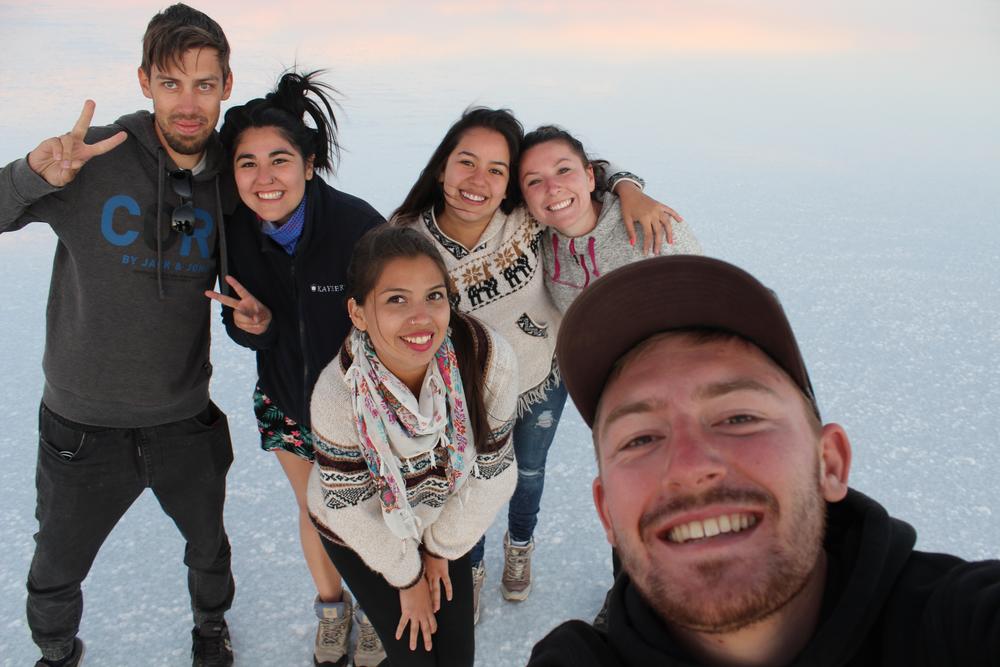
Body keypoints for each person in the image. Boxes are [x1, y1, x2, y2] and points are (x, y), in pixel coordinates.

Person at [528, 255, 1000, 666]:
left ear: (829, 463)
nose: (690, 466)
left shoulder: (958, 624)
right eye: (641, 438)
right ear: (607, 511)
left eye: (738, 417)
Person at [0, 5, 239, 666]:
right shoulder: (93, 157)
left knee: (209, 546)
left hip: (183, 417)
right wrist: (32, 174)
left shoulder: (232, 176)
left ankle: (210, 626)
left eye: (204, 83)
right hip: (81, 426)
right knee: (55, 565)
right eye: (171, 82)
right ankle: (55, 651)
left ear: (226, 84)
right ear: (144, 81)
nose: (188, 103)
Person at [391, 107, 681, 616]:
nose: (478, 181)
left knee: (528, 472)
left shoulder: (524, 215)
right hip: (467, 393)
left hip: (542, 375)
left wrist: (630, 188)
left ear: (509, 187)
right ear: (441, 168)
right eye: (465, 163)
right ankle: (472, 565)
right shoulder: (409, 239)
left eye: (497, 170)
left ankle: (519, 546)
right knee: (471, 481)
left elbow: (585, 171)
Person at [205, 70, 385, 667]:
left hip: (362, 406)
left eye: (279, 160)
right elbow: (239, 318)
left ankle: (378, 617)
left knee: (368, 515)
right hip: (286, 398)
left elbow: (404, 309)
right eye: (247, 163)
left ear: (309, 165)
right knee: (318, 510)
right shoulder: (233, 234)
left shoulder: (357, 225)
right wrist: (252, 326)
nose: (264, 178)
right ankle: (333, 612)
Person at [306, 225, 519, 666]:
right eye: (396, 299)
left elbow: (495, 474)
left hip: (442, 515)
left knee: (456, 654)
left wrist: (440, 550)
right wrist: (407, 579)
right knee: (414, 654)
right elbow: (350, 507)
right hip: (363, 529)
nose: (421, 317)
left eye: (434, 296)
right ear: (359, 312)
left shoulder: (487, 358)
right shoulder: (338, 393)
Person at [518, 125, 702, 313]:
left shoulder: (653, 225)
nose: (552, 188)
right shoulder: (532, 239)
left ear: (590, 176)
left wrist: (628, 187)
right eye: (534, 181)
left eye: (563, 170)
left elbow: (706, 298)